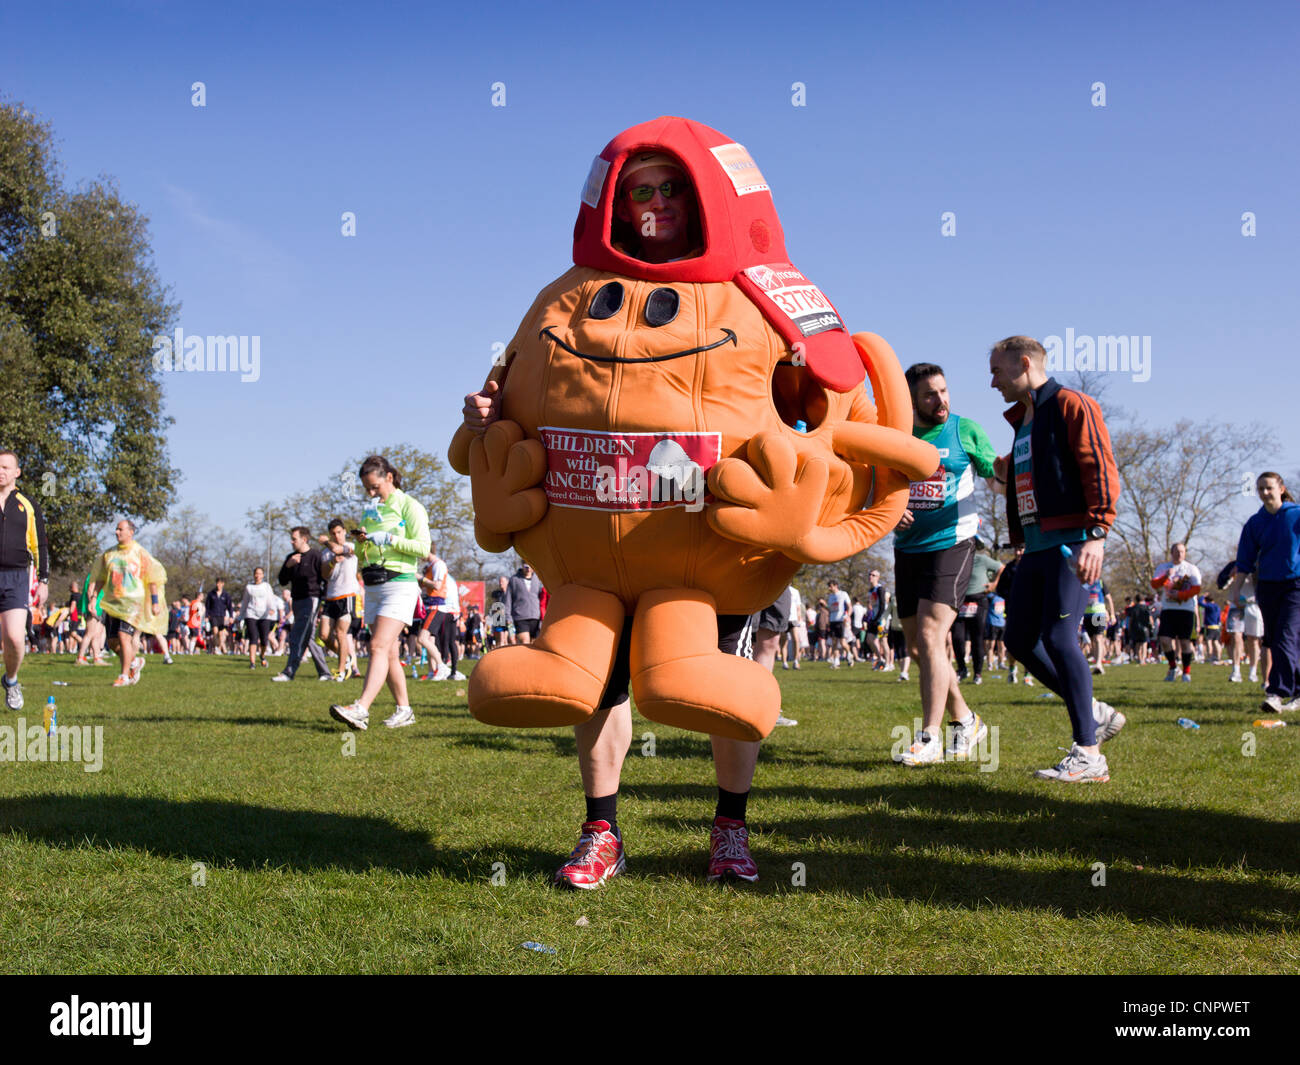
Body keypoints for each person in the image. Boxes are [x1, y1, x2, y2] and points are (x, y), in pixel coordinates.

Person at [989, 335, 1125, 782]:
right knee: (1020, 640)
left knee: (1061, 637)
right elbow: (1033, 470)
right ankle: (1094, 712)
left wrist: (1098, 534)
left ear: (1024, 364)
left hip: (1072, 543)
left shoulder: (1072, 404)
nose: (992, 383)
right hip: (1035, 546)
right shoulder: (1025, 419)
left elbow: (1098, 465)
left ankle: (1089, 754)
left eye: (997, 371)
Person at [891, 363, 995, 766]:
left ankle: (930, 738)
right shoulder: (897, 436)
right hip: (908, 548)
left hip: (953, 542)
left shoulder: (964, 430)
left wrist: (1009, 469)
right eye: (930, 395)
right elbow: (878, 483)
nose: (941, 401)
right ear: (911, 400)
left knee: (933, 637)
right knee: (919, 647)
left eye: (944, 391)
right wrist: (889, 509)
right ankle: (966, 719)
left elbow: (995, 471)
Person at [329, 455, 432, 730]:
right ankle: (404, 710)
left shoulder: (411, 506)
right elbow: (368, 551)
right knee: (386, 652)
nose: (372, 493)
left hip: (400, 583)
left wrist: (389, 538)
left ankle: (361, 709)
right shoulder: (371, 511)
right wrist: (361, 542)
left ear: (389, 477)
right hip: (374, 583)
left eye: (375, 487)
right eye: (367, 489)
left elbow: (423, 548)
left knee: (377, 646)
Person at [1227, 472, 1300, 713]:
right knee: (1276, 639)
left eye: (1268, 488)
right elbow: (1244, 560)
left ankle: (1276, 692)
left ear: (1281, 488)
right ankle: (1297, 692)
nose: (1264, 493)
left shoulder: (1296, 515)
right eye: (1260, 489)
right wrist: (1236, 588)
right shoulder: (1255, 523)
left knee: (1285, 637)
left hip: (1295, 586)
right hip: (1267, 587)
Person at [87, 519, 167, 688]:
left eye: (120, 529)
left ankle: (123, 676)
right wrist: (94, 598)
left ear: (131, 532)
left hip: (133, 603)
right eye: (116, 529)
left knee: (124, 637)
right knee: (112, 642)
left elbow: (152, 579)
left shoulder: (140, 553)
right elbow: (101, 578)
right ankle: (133, 662)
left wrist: (154, 602)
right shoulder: (109, 554)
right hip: (114, 602)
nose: (117, 532)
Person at [0, 450, 50, 710]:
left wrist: (44, 580)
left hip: (17, 576)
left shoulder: (28, 504)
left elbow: (40, 544)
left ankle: (11, 680)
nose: (1, 471)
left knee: (15, 637)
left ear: (16, 472)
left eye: (6, 467)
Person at [273, 527, 332, 682]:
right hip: (297, 600)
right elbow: (282, 581)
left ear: (304, 539)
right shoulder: (291, 557)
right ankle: (325, 673)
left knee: (297, 635)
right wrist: (288, 566)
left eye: (294, 539)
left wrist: (323, 602)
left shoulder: (316, 556)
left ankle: (289, 672)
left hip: (311, 599)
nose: (292, 542)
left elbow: (325, 579)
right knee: (309, 637)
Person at [952, 530, 1002, 685]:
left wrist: (994, 584)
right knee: (957, 638)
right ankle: (962, 669)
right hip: (960, 602)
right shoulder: (956, 560)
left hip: (979, 601)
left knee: (977, 638)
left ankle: (978, 673)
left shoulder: (982, 560)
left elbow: (1002, 568)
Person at [1151, 542, 1202, 684]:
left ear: (1185, 553)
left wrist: (1179, 595)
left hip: (1186, 610)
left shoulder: (1191, 569)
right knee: (1165, 641)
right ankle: (1173, 667)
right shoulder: (1163, 568)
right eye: (1177, 551)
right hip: (1168, 609)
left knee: (1185, 642)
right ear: (1171, 552)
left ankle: (1186, 672)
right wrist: (1165, 577)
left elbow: (1196, 589)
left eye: (1182, 551)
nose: (1179, 554)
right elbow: (1154, 584)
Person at [318, 519, 361, 682]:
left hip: (347, 595)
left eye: (338, 532)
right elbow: (324, 574)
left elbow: (337, 548)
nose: (336, 536)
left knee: (341, 633)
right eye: (332, 534)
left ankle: (341, 671)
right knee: (323, 635)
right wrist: (332, 562)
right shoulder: (326, 553)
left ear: (344, 531)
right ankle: (346, 659)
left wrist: (325, 541)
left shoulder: (351, 546)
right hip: (331, 596)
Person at [240, 566, 277, 669]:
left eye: (260, 573)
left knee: (264, 640)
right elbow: (245, 602)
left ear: (263, 575)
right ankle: (252, 663)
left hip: (264, 615)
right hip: (251, 614)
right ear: (253, 575)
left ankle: (262, 655)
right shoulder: (249, 587)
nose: (257, 575)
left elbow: (271, 599)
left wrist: (272, 609)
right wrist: (240, 616)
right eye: (256, 573)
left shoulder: (266, 586)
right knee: (253, 638)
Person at [1081, 576, 1115, 674]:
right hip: (1087, 614)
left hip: (1098, 613)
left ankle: (1099, 664)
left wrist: (1112, 614)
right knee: (1092, 640)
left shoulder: (1100, 582)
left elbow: (1109, 598)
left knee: (1098, 638)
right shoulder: (1082, 583)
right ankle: (1097, 663)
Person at [504, 563, 543, 645]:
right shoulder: (514, 579)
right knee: (525, 643)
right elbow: (508, 600)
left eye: (530, 566)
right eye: (526, 566)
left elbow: (543, 598)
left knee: (534, 645)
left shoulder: (538, 579)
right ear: (522, 566)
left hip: (536, 617)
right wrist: (508, 618)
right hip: (520, 617)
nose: (528, 569)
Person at [825, 579, 853, 668]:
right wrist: (828, 621)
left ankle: (849, 654)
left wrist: (847, 616)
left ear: (836, 585)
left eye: (831, 586)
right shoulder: (830, 597)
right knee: (834, 642)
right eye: (829, 586)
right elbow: (830, 610)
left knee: (842, 642)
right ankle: (836, 662)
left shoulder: (843, 594)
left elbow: (849, 606)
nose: (829, 588)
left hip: (841, 621)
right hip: (833, 621)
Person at [205, 578, 234, 655]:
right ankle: (217, 648)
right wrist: (206, 616)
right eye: (217, 583)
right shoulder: (211, 594)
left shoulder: (226, 595)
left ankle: (219, 647)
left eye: (220, 583)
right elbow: (207, 606)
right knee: (215, 631)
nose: (218, 585)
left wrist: (231, 616)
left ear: (223, 584)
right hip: (213, 615)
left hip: (222, 616)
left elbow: (230, 607)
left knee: (221, 634)